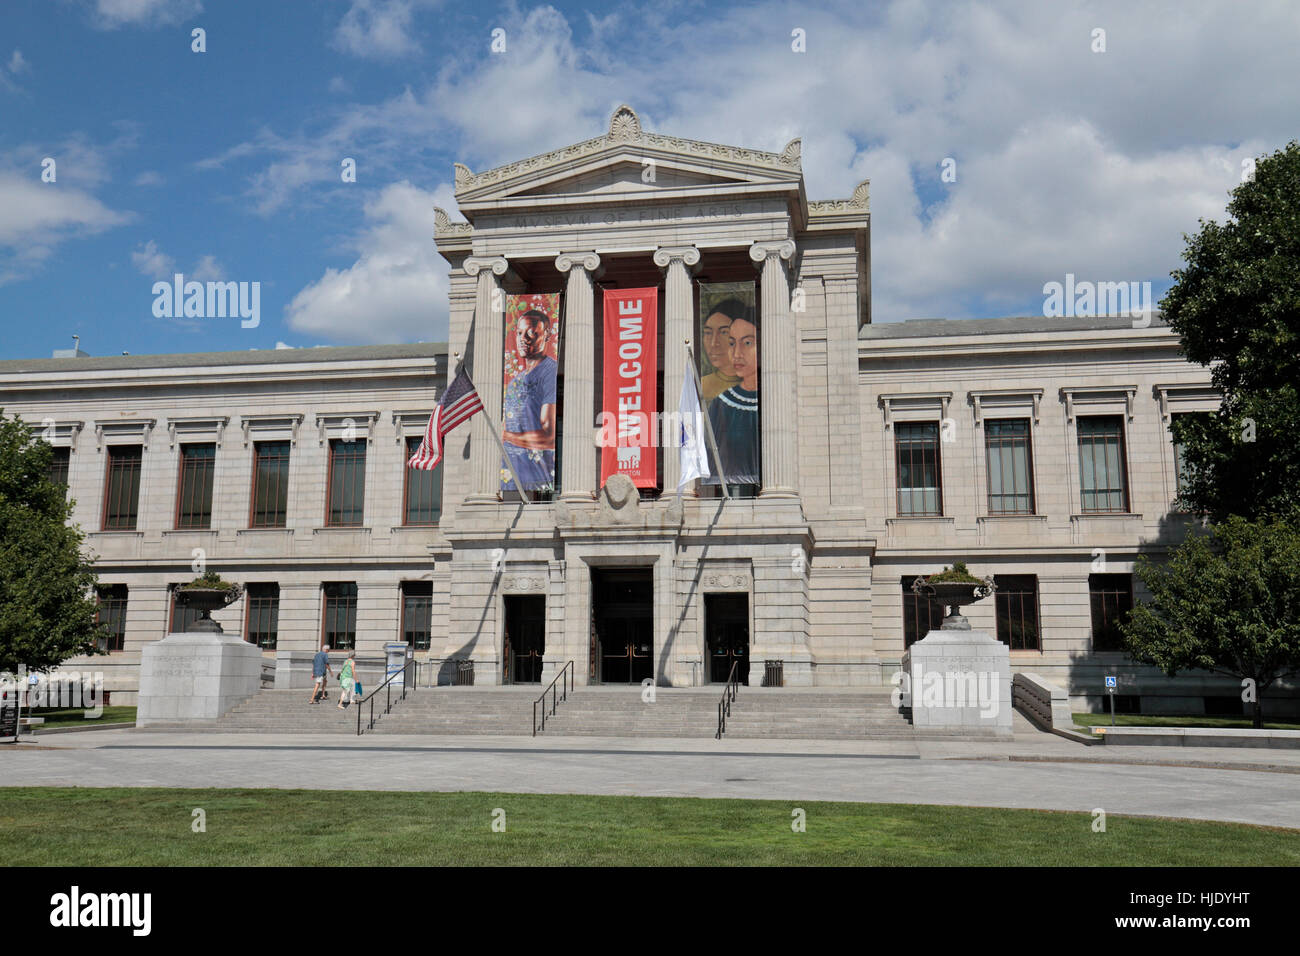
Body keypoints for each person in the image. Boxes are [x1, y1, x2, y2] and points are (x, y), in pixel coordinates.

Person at [501, 309, 557, 492]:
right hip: (512, 478)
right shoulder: (514, 382)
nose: (523, 338)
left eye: (532, 333)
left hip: (538, 476)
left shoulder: (550, 372)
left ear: (546, 335)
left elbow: (548, 435)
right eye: (519, 333)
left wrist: (507, 436)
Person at [706, 312, 760, 486]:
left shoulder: (774, 401)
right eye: (731, 343)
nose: (737, 353)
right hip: (729, 494)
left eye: (747, 343)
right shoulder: (720, 403)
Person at [699, 299, 747, 400]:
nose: (713, 343)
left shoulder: (751, 383)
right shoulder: (701, 385)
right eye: (708, 333)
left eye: (724, 332)